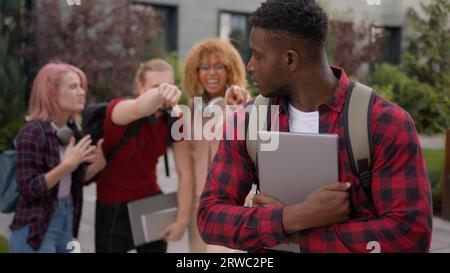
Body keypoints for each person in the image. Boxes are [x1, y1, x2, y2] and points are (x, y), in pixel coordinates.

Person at [197, 0, 432, 252]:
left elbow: (410, 235)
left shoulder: (384, 123)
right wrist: (296, 217)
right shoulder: (248, 120)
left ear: (290, 59)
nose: (250, 65)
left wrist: (298, 235)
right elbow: (209, 218)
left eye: (257, 55)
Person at [94, 59, 194, 253]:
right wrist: (159, 93)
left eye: (169, 86)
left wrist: (182, 221)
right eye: (157, 86)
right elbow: (138, 108)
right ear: (140, 87)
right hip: (113, 205)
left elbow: (185, 172)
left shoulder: (173, 119)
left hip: (150, 201)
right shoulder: (121, 108)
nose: (165, 93)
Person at [9, 62, 106, 253]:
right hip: (36, 226)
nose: (81, 92)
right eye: (73, 86)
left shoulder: (72, 130)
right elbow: (28, 189)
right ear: (51, 93)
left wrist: (96, 167)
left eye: (81, 86)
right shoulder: (32, 133)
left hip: (67, 216)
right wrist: (66, 165)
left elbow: (76, 179)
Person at [180, 38, 250, 253]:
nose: (212, 73)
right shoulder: (189, 110)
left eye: (219, 66)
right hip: (200, 208)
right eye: (205, 67)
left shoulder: (246, 104)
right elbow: (186, 170)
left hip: (236, 207)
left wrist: (235, 108)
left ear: (230, 70)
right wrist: (182, 216)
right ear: (196, 71)